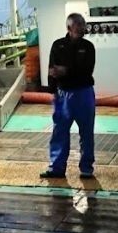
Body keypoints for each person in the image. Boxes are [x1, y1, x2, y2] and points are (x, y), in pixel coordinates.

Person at [40, 13, 97, 179]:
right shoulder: (58, 45)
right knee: (59, 130)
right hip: (62, 93)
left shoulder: (88, 47)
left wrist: (66, 71)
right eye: (78, 24)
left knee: (86, 131)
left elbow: (87, 70)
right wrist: (52, 91)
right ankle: (56, 167)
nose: (82, 27)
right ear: (69, 28)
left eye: (83, 24)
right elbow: (52, 69)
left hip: (84, 92)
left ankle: (86, 168)